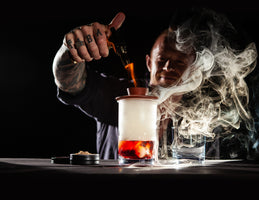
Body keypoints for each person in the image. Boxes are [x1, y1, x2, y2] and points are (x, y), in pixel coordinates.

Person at [52, 12, 196, 159]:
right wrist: (72, 53)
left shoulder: (200, 113)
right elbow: (69, 83)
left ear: (193, 69)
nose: (168, 67)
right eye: (161, 59)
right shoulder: (118, 96)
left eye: (180, 62)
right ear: (148, 63)